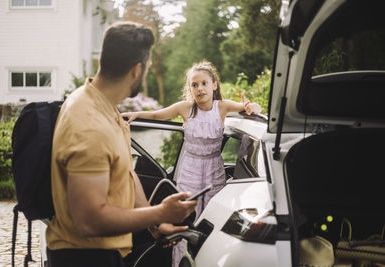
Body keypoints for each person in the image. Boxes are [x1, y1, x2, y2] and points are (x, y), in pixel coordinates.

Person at [45, 21, 197, 267]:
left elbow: (127, 172)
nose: (146, 71)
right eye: (147, 67)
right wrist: (161, 212)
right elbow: (89, 220)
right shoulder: (89, 123)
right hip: (83, 258)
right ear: (136, 71)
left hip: (107, 252)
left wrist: (154, 224)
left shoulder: (106, 108)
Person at [122, 60, 262, 266]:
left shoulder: (222, 107)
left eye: (204, 83)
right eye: (194, 85)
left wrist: (252, 106)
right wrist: (136, 114)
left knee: (212, 219)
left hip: (214, 170)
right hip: (190, 170)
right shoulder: (185, 108)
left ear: (214, 85)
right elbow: (157, 115)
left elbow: (248, 107)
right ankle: (180, 262)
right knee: (184, 221)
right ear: (190, 89)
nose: (200, 89)